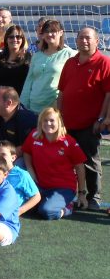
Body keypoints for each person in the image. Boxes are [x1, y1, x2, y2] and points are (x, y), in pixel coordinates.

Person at [57, 26, 110, 211]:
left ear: (97, 41)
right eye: (81, 38)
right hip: (67, 123)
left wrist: (102, 118)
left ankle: (93, 197)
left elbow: (108, 94)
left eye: (88, 38)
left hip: (90, 123)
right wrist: (58, 117)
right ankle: (71, 195)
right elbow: (62, 92)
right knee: (67, 160)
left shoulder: (104, 62)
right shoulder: (70, 63)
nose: (84, 41)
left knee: (90, 161)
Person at [22, 108, 87, 219]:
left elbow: (80, 167)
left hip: (63, 188)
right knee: (24, 208)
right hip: (40, 185)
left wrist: (82, 193)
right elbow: (27, 152)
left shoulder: (68, 141)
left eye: (52, 120)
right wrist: (31, 172)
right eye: (45, 120)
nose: (48, 123)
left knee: (47, 212)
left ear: (59, 122)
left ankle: (68, 206)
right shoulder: (34, 135)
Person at [21, 19, 75, 114]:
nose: (49, 34)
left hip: (54, 108)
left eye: (53, 31)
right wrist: (23, 102)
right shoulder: (37, 56)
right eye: (46, 31)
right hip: (34, 106)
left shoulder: (70, 54)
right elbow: (29, 80)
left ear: (61, 32)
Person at [0, 24, 31, 116]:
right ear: (6, 39)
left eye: (18, 37)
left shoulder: (28, 58)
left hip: (19, 105)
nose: (15, 39)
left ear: (23, 39)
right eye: (11, 37)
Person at [0, 140, 40, 217]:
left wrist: (19, 211)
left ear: (13, 157)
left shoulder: (21, 175)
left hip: (7, 215)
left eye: (3, 154)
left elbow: (36, 196)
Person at [0, 86, 37, 156]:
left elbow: (25, 148)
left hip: (19, 157)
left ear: (8, 103)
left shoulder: (27, 120)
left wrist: (0, 156)